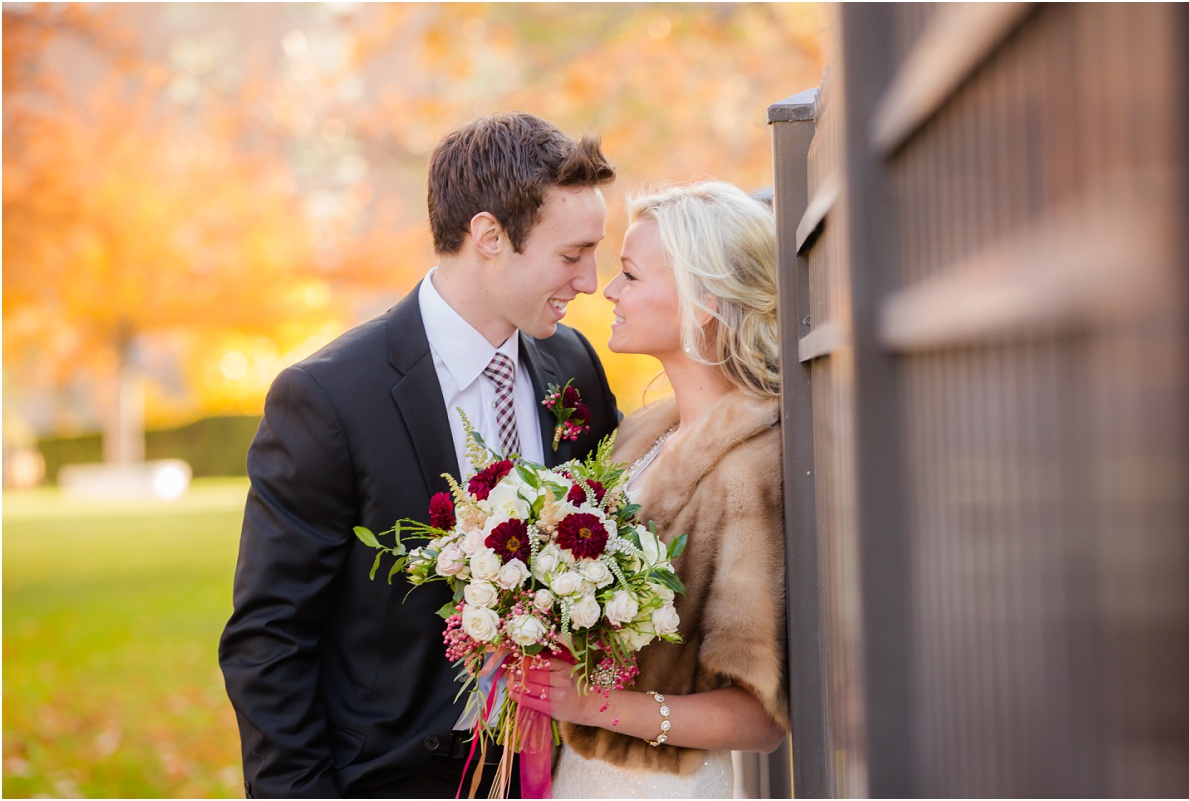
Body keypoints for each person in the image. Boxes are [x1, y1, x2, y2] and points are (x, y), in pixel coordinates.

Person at [218, 112, 621, 798]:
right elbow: (270, 637)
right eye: (571, 254)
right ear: (489, 236)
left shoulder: (573, 365)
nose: (589, 281)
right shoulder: (329, 396)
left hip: (565, 771)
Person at [517, 181, 789, 798]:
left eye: (631, 276)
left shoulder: (748, 466)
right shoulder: (639, 437)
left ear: (703, 302)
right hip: (580, 778)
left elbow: (761, 718)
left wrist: (594, 706)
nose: (608, 290)